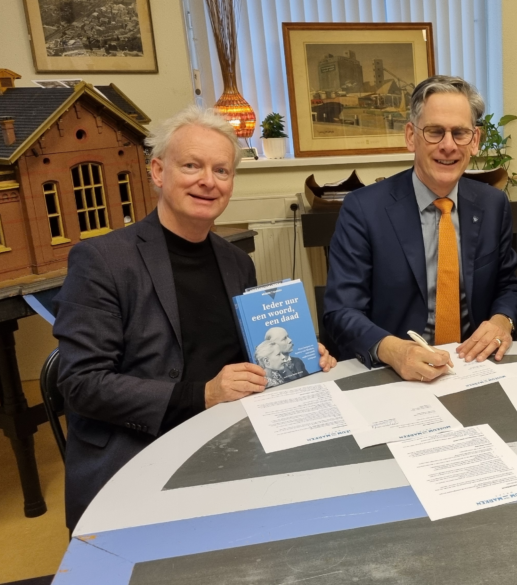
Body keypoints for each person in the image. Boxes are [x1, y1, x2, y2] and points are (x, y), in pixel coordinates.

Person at [53, 106, 336, 531]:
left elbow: (246, 355)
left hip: (229, 436)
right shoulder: (102, 261)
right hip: (140, 450)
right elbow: (81, 384)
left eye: (221, 170)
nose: (208, 181)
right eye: (191, 166)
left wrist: (298, 355)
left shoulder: (236, 262)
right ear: (158, 171)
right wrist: (200, 395)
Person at [323, 76, 517, 382]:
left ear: (475, 140)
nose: (448, 145)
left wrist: (501, 321)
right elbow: (341, 311)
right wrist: (393, 350)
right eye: (434, 132)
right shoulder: (364, 210)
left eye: (460, 133)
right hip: (394, 374)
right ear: (411, 136)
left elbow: (508, 287)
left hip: (473, 368)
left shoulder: (493, 205)